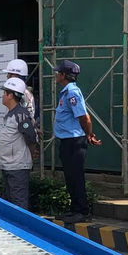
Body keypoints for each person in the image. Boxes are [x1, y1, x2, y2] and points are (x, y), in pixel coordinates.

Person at [53, 59, 101, 221]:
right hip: (67, 141)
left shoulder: (72, 93)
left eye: (58, 73)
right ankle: (74, 209)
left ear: (64, 75)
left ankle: (83, 211)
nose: (56, 75)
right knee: (70, 177)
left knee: (76, 177)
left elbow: (84, 117)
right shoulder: (66, 92)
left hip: (74, 141)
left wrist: (89, 134)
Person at [0, 76, 37, 211]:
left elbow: (31, 137)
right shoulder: (11, 114)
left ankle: (23, 225)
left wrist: (32, 153)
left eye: (5, 93)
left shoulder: (20, 115)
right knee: (10, 201)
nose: (2, 96)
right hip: (8, 165)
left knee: (19, 202)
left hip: (17, 166)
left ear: (11, 95)